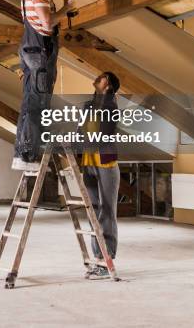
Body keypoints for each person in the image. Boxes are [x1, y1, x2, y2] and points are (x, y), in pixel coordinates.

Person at [12, 0, 76, 170]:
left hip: (30, 51)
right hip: (40, 52)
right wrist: (66, 9)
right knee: (37, 105)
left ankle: (23, 155)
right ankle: (29, 157)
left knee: (30, 102)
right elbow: (48, 24)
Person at [81, 71, 121, 280]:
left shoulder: (111, 106)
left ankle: (107, 260)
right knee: (93, 212)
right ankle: (97, 259)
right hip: (88, 164)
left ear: (109, 85)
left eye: (103, 77)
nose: (98, 77)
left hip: (106, 164)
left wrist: (107, 97)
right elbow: (81, 131)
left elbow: (105, 133)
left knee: (107, 212)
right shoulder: (88, 106)